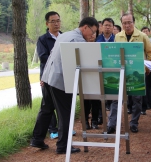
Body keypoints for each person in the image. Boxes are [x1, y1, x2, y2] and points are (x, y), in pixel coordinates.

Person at [30, 17, 99, 154]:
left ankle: (37, 139)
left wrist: (44, 77)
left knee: (46, 109)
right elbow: (82, 65)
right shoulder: (78, 40)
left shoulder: (65, 34)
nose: (93, 35)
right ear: (85, 27)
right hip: (61, 81)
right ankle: (63, 146)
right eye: (93, 31)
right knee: (66, 113)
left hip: (49, 77)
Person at [107, 13, 151, 134]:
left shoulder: (142, 36)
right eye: (124, 23)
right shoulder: (117, 36)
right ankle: (112, 124)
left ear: (134, 22)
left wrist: (146, 68)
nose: (127, 25)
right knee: (116, 99)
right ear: (121, 24)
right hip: (121, 72)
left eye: (129, 22)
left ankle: (134, 123)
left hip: (137, 73)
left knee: (136, 99)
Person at [36, 11, 61, 139]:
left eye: (58, 21)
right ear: (47, 23)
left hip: (62, 76)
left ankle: (63, 128)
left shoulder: (64, 37)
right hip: (48, 76)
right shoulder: (42, 39)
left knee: (62, 103)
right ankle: (53, 129)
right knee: (48, 103)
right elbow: (43, 57)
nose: (56, 24)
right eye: (53, 21)